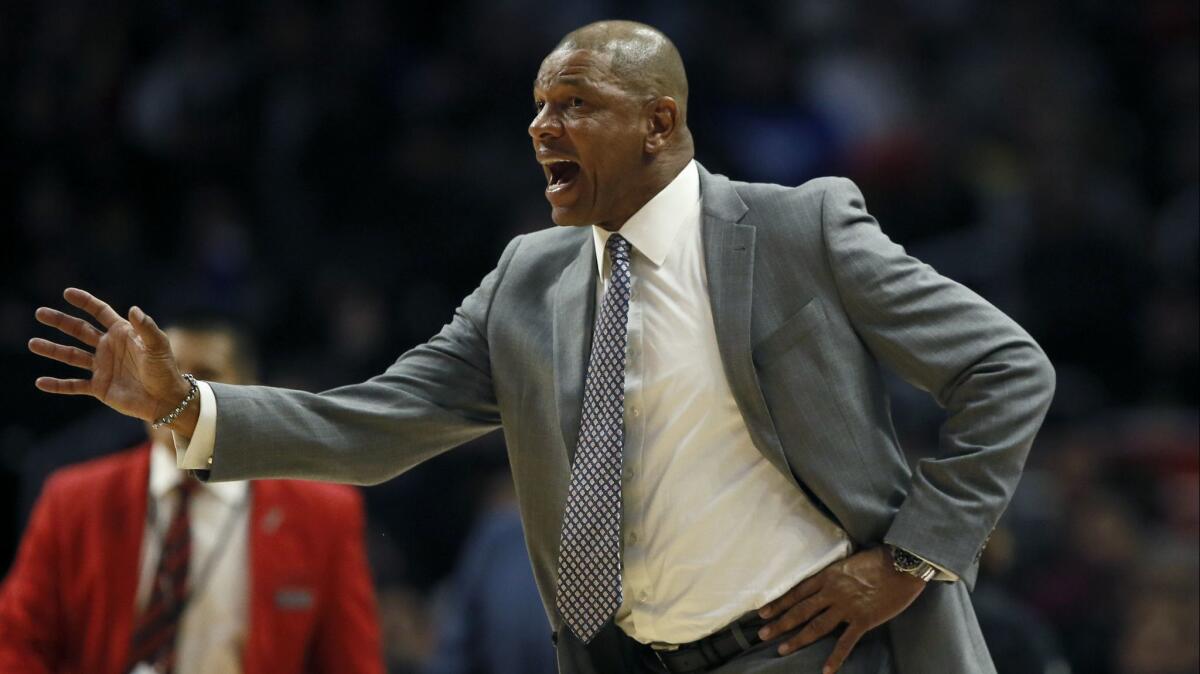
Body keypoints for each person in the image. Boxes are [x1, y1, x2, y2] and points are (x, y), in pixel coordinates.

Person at [27, 20, 1055, 674]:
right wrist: (181, 405)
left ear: (659, 124)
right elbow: (377, 425)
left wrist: (913, 557)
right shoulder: (529, 279)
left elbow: (1008, 368)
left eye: (574, 106)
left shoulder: (799, 228)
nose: (539, 127)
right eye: (536, 106)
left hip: (824, 651)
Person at [6, 317, 384, 674]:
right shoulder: (73, 499)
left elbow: (351, 663)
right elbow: (17, 645)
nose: (175, 390)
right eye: (162, 371)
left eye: (204, 375)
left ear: (249, 392)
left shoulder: (323, 514)